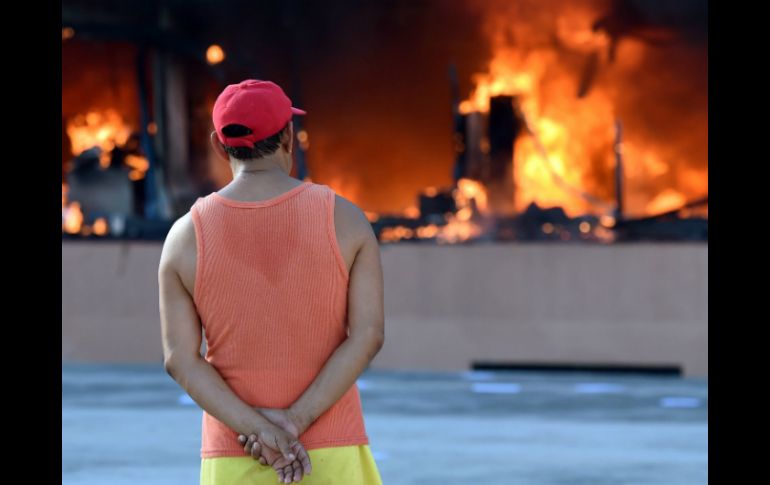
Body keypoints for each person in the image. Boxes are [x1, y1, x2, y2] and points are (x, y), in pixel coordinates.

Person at [159, 79, 385, 484]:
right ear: (288, 138)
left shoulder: (185, 236)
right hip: (332, 452)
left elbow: (181, 359)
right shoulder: (346, 219)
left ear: (218, 144)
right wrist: (294, 421)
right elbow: (367, 335)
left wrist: (260, 430)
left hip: (234, 455)